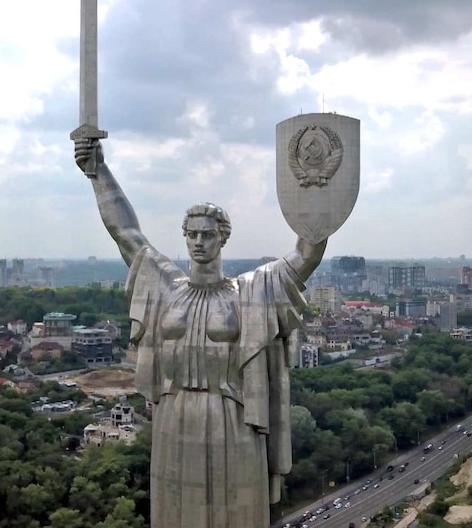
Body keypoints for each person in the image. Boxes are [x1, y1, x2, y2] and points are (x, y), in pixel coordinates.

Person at [75, 141, 326, 528]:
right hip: (173, 414)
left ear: (222, 238)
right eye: (191, 234)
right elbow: (126, 234)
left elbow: (307, 253)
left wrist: (317, 189)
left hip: (231, 417)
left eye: (207, 234)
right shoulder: (166, 288)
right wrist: (98, 172)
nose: (197, 242)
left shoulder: (251, 292)